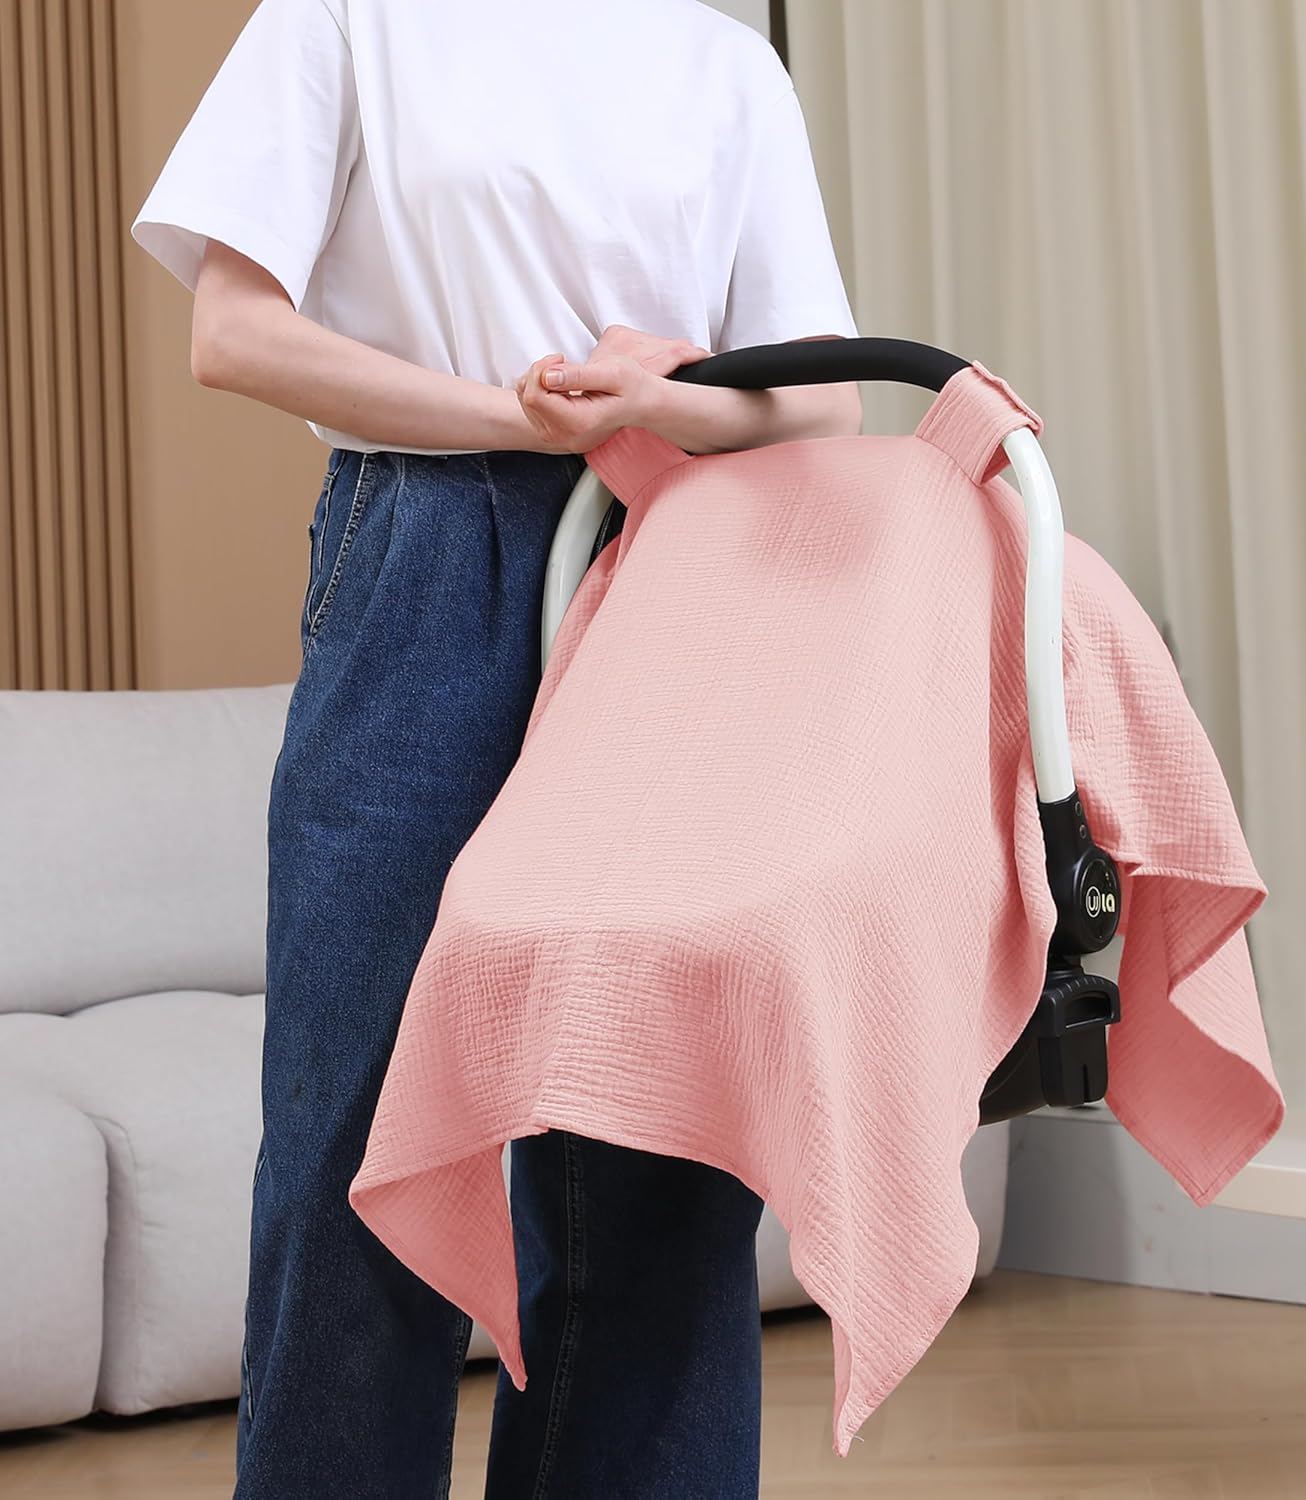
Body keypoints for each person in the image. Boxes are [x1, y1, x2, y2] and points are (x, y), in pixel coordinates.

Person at [131, 1, 861, 1495]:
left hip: (674, 573)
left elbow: (824, 396)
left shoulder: (725, 65)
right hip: (424, 549)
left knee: (663, 1148)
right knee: (362, 1129)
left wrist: (658, 405)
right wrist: (516, 417)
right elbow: (233, 331)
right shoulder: (348, 17)